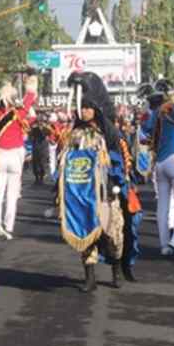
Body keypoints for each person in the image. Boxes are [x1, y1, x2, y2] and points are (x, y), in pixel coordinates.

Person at [57, 72, 128, 292]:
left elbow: (121, 159)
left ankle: (116, 269)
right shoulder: (74, 134)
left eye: (88, 107)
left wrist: (116, 179)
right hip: (83, 193)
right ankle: (90, 277)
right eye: (82, 107)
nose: (84, 111)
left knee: (114, 234)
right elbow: (65, 162)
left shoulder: (109, 132)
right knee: (85, 233)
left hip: (107, 192)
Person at [141, 77, 174, 256]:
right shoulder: (168, 111)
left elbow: (146, 129)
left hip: (159, 165)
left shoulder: (150, 119)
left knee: (162, 206)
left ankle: (164, 245)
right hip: (173, 159)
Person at [0, 76, 38, 240]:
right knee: (12, 194)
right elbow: (30, 99)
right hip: (15, 156)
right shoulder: (19, 113)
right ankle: (8, 227)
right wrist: (31, 81)